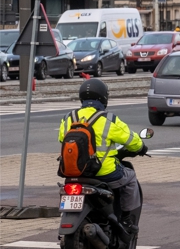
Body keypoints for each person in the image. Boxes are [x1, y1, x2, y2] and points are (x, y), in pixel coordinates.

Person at [58, 79, 148, 234]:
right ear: (103, 98)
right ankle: (127, 220)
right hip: (104, 173)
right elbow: (131, 140)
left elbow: (62, 139)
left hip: (73, 172)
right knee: (130, 178)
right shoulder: (108, 119)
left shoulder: (68, 118)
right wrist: (141, 147)